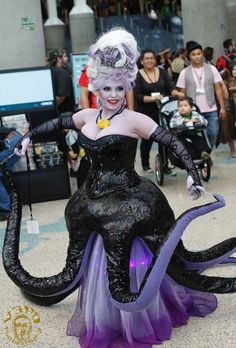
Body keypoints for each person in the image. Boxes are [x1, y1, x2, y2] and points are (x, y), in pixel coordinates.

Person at [4, 28, 236, 348]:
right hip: (90, 201)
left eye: (119, 88)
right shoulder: (86, 117)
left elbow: (171, 141)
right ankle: (106, 310)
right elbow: (56, 124)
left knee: (148, 261)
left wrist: (192, 173)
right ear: (97, 89)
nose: (113, 94)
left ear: (125, 88)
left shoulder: (134, 120)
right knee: (80, 260)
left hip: (131, 201)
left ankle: (141, 310)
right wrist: (26, 138)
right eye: (107, 88)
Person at [133, 48, 179, 173]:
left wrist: (175, 92)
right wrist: (153, 98)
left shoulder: (162, 71)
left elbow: (170, 87)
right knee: (147, 139)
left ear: (155, 60)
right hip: (145, 112)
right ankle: (145, 164)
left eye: (152, 58)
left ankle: (165, 165)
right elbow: (138, 96)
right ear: (142, 61)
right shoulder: (138, 74)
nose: (149, 60)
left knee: (164, 138)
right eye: (146, 58)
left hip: (163, 110)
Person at [176, 41, 226, 150]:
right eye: (193, 54)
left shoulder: (212, 69)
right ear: (189, 56)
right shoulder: (184, 72)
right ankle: (204, 157)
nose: (197, 57)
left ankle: (206, 154)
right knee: (196, 136)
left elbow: (218, 89)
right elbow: (182, 94)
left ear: (202, 54)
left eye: (198, 54)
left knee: (213, 133)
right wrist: (181, 109)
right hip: (193, 110)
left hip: (211, 108)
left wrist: (222, 107)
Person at [0, 126, 22, 221]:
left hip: (13, 145)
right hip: (15, 141)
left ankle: (6, 209)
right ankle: (7, 207)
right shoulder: (14, 136)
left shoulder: (12, 139)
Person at [220, 62, 236, 157]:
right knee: (230, 129)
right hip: (230, 108)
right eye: (234, 69)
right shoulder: (226, 81)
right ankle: (232, 151)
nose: (235, 71)